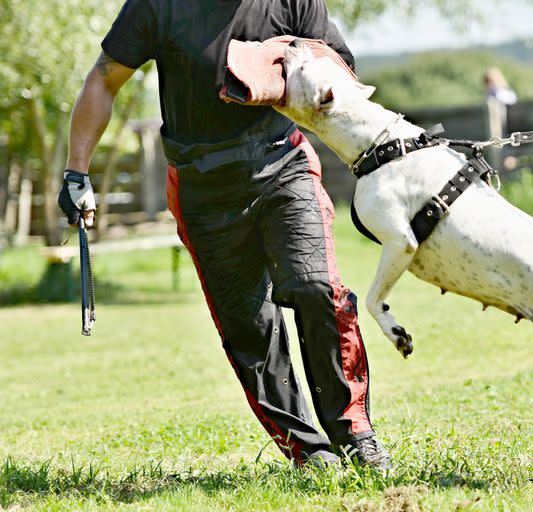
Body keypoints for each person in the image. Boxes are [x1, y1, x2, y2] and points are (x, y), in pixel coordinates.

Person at [57, 0, 388, 468]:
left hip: (283, 166)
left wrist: (281, 64)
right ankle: (307, 451)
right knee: (249, 328)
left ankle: (355, 434)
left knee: (317, 288)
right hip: (201, 185)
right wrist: (77, 172)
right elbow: (104, 78)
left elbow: (339, 69)